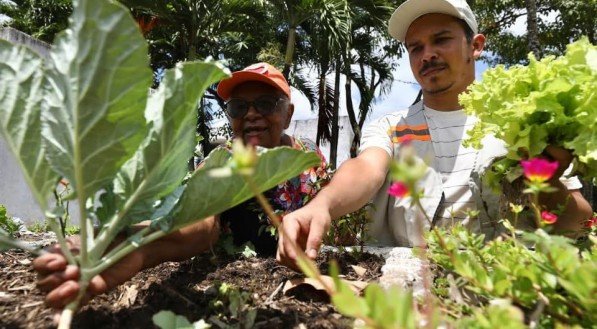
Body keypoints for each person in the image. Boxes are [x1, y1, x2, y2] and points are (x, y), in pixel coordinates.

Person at [276, 0, 593, 268]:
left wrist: (546, 179)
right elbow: (365, 168)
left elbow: (578, 224)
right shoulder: (392, 127)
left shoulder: (517, 127)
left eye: (441, 39)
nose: (427, 54)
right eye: (416, 47)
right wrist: (323, 204)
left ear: (476, 45)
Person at [34, 62, 328, 311]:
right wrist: (137, 242)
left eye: (265, 103)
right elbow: (199, 221)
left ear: (288, 114)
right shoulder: (223, 160)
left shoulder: (308, 156)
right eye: (238, 107)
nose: (251, 114)